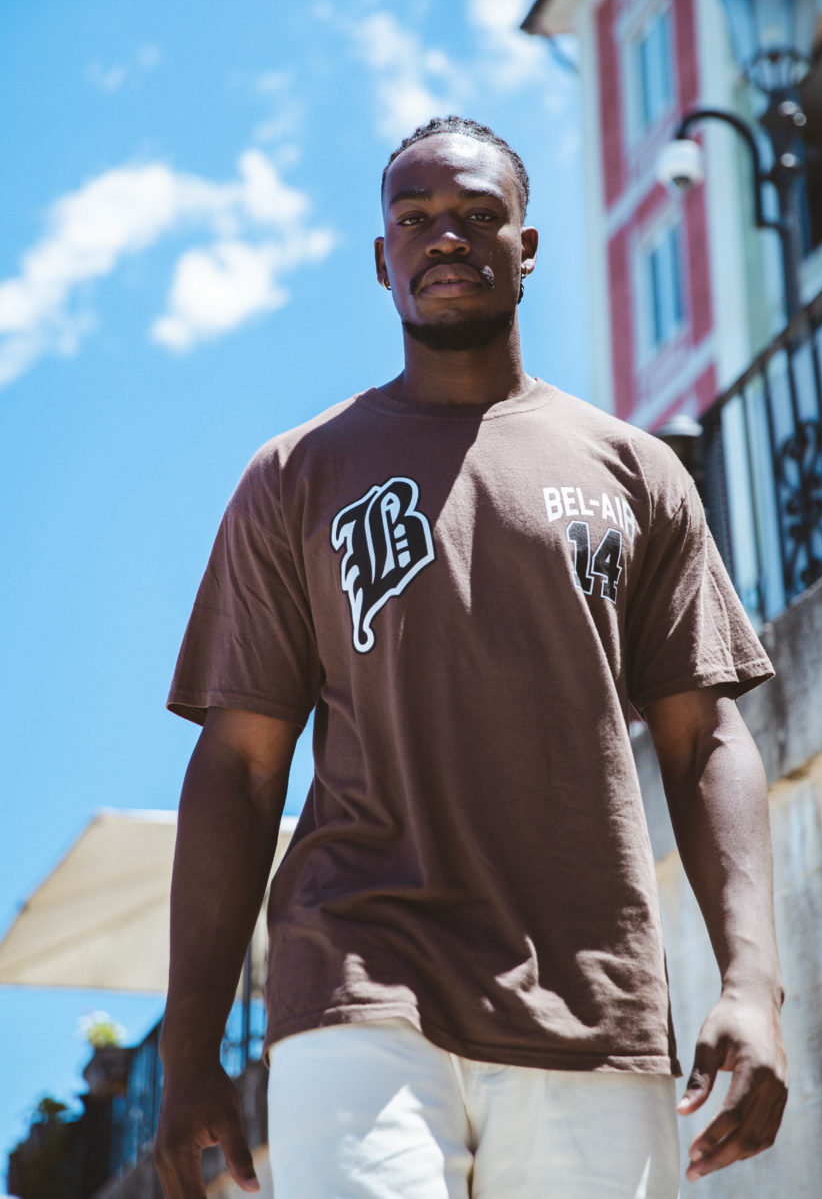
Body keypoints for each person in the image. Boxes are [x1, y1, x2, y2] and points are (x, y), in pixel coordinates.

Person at [154, 116, 787, 1199]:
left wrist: (753, 987)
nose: (444, 236)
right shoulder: (296, 475)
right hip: (357, 985)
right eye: (415, 219)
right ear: (382, 259)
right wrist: (188, 1050)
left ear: (525, 248)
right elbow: (242, 766)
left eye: (477, 214)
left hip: (594, 1001)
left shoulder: (637, 473)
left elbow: (704, 743)